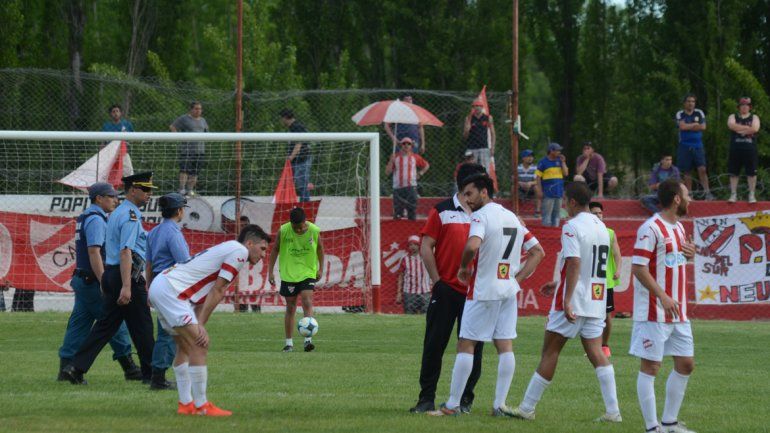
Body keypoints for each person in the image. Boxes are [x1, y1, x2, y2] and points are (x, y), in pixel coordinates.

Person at [430, 173, 544, 417]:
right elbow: (538, 252)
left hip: (483, 290)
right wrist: (517, 280)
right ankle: (499, 405)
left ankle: (451, 405)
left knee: (466, 343)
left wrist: (463, 268)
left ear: (484, 192)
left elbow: (471, 245)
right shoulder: (512, 217)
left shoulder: (481, 216)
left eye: (469, 193)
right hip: (507, 291)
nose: (466, 199)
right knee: (505, 345)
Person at [511, 182, 621, 423]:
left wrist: (567, 298)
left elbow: (574, 263)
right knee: (596, 352)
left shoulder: (571, 226)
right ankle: (613, 411)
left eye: (564, 201)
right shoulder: (601, 226)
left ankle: (527, 408)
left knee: (550, 352)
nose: (562, 205)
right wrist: (558, 285)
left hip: (574, 301)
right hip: (596, 299)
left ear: (572, 202)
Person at [148, 224, 271, 416]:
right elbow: (218, 290)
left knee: (185, 346)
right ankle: (202, 406)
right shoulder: (239, 251)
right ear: (249, 243)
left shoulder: (229, 248)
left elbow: (206, 294)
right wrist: (200, 325)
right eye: (262, 248)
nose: (264, 255)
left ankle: (186, 404)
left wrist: (198, 321)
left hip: (164, 285)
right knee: (200, 344)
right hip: (172, 291)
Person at [62, 172, 158, 385]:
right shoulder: (130, 215)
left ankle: (75, 367)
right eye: (146, 190)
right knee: (142, 326)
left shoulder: (117, 213)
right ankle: (152, 375)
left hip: (113, 274)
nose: (149, 194)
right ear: (133, 189)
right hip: (127, 275)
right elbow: (126, 251)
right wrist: (127, 285)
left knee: (105, 326)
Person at [408, 163, 487, 414]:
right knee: (434, 345)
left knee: (474, 348)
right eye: (480, 183)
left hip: (477, 293)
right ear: (466, 186)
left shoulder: (487, 213)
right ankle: (426, 399)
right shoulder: (441, 210)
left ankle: (465, 401)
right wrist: (437, 281)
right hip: (446, 290)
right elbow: (425, 246)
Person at [630, 178, 697, 433]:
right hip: (654, 311)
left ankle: (670, 422)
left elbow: (669, 262)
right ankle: (652, 428)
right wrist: (662, 296)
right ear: (676, 199)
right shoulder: (650, 228)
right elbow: (638, 268)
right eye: (687, 195)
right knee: (651, 367)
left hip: (678, 311)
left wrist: (689, 256)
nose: (690, 199)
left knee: (686, 364)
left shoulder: (679, 228)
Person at [145, 193, 191, 390]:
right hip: (172, 285)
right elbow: (184, 263)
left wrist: (149, 288)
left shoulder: (154, 232)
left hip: (157, 282)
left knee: (165, 329)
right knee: (169, 332)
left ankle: (158, 374)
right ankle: (159, 377)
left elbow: (148, 263)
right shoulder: (174, 233)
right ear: (179, 211)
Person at [267, 207, 324, 352]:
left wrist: (320, 268)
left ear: (305, 222)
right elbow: (275, 250)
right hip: (289, 273)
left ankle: (308, 341)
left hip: (307, 271)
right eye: (295, 227)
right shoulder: (284, 230)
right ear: (290, 223)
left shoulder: (314, 231)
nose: (298, 230)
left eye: (300, 227)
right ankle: (289, 343)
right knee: (291, 306)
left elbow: (320, 250)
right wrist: (270, 272)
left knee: (307, 300)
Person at [588, 202, 622, 358]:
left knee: (606, 315)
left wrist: (618, 269)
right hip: (588, 280)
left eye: (600, 213)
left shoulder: (610, 233)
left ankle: (604, 346)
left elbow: (617, 254)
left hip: (605, 281)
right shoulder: (585, 232)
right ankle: (592, 347)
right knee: (590, 315)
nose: (598, 216)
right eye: (594, 213)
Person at [675, 94, 713, 200]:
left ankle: (707, 192)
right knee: (687, 171)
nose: (691, 103)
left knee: (702, 169)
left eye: (693, 101)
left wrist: (689, 126)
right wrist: (694, 125)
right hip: (684, 146)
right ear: (684, 103)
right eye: (688, 101)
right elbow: (682, 127)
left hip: (698, 146)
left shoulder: (699, 112)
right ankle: (689, 194)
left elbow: (703, 127)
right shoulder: (680, 114)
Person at [727, 97, 761, 203]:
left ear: (750, 107)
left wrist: (740, 130)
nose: (744, 107)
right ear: (739, 107)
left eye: (746, 105)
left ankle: (751, 194)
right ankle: (733, 194)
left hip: (750, 148)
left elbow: (755, 128)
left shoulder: (754, 117)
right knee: (734, 172)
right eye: (742, 105)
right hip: (735, 148)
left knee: (751, 173)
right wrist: (747, 129)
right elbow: (731, 125)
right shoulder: (733, 116)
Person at [386, 137, 430, 220]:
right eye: (404, 143)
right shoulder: (395, 157)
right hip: (398, 188)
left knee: (412, 211)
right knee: (398, 213)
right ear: (400, 145)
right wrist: (390, 161)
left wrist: (420, 173)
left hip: (411, 187)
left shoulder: (415, 157)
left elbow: (427, 165)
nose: (406, 145)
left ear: (411, 146)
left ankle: (412, 229)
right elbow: (387, 172)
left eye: (408, 144)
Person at [171, 101, 209, 197]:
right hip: (187, 150)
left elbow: (206, 132)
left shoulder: (203, 120)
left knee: (195, 172)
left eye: (200, 109)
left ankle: (190, 190)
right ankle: (182, 189)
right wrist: (178, 137)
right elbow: (172, 127)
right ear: (191, 109)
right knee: (184, 170)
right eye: (196, 108)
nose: (198, 111)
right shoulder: (184, 118)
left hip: (200, 150)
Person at [279, 109, 313, 202]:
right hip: (297, 160)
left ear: (285, 118)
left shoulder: (297, 127)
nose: (281, 121)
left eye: (281, 118)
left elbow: (299, 143)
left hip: (302, 160)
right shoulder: (292, 127)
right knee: (296, 183)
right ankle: (297, 203)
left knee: (302, 184)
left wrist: (291, 157)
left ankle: (305, 205)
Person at [396, 235, 432, 314]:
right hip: (409, 292)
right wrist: (399, 293)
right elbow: (401, 275)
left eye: (415, 244)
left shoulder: (425, 257)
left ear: (419, 245)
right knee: (409, 315)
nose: (413, 246)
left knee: (426, 315)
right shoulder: (405, 258)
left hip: (425, 291)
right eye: (410, 244)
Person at [536, 143, 568, 227]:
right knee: (547, 215)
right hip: (548, 193)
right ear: (551, 151)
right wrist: (539, 190)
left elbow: (566, 173)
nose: (559, 152)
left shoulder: (559, 161)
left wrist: (563, 162)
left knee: (557, 215)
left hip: (558, 192)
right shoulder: (543, 162)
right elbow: (538, 177)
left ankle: (555, 232)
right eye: (557, 150)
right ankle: (546, 234)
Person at [463, 99, 495, 171]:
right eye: (475, 106)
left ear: (482, 107)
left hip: (484, 147)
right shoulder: (468, 118)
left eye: (479, 106)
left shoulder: (488, 118)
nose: (477, 108)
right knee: (470, 170)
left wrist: (492, 147)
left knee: (485, 170)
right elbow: (465, 137)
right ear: (473, 108)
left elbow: (493, 134)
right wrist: (467, 130)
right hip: (472, 148)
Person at [517, 149, 540, 216]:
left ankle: (537, 211)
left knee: (537, 187)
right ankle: (516, 209)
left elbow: (537, 180)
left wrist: (530, 183)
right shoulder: (517, 168)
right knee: (513, 187)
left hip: (531, 188)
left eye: (532, 156)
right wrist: (520, 183)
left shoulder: (535, 168)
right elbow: (513, 180)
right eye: (528, 156)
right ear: (523, 158)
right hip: (520, 187)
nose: (531, 158)